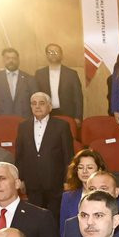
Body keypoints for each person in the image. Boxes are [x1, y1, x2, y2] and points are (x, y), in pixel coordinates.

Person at [16, 92, 75, 220]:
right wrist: (21, 179)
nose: (37, 106)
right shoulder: (23, 126)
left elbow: (68, 155)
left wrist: (67, 180)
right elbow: (20, 155)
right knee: (35, 219)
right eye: (34, 103)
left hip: (55, 182)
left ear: (50, 107)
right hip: (32, 183)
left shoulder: (62, 126)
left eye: (41, 103)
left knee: (54, 218)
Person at [58, 148, 108, 229]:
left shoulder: (110, 194)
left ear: (99, 169)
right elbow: (64, 229)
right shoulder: (67, 197)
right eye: (80, 167)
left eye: (90, 167)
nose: (84, 171)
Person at [35, 44, 84, 122]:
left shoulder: (71, 74)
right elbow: (36, 95)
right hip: (46, 113)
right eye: (50, 52)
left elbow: (78, 97)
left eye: (56, 52)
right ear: (46, 55)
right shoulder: (39, 74)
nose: (53, 54)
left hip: (67, 114)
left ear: (61, 55)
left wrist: (78, 117)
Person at [0, 47, 38, 119]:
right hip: (2, 118)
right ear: (3, 60)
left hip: (24, 118)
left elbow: (36, 100)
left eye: (14, 58)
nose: (11, 61)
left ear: (18, 60)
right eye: (8, 58)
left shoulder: (29, 78)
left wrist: (35, 118)